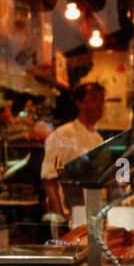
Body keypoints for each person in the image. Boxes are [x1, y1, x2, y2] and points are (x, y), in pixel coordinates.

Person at [41, 82, 106, 220]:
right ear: (79, 103)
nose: (100, 105)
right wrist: (61, 218)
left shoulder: (99, 139)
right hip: (70, 216)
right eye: (94, 99)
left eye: (102, 100)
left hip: (92, 215)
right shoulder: (63, 134)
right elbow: (49, 179)